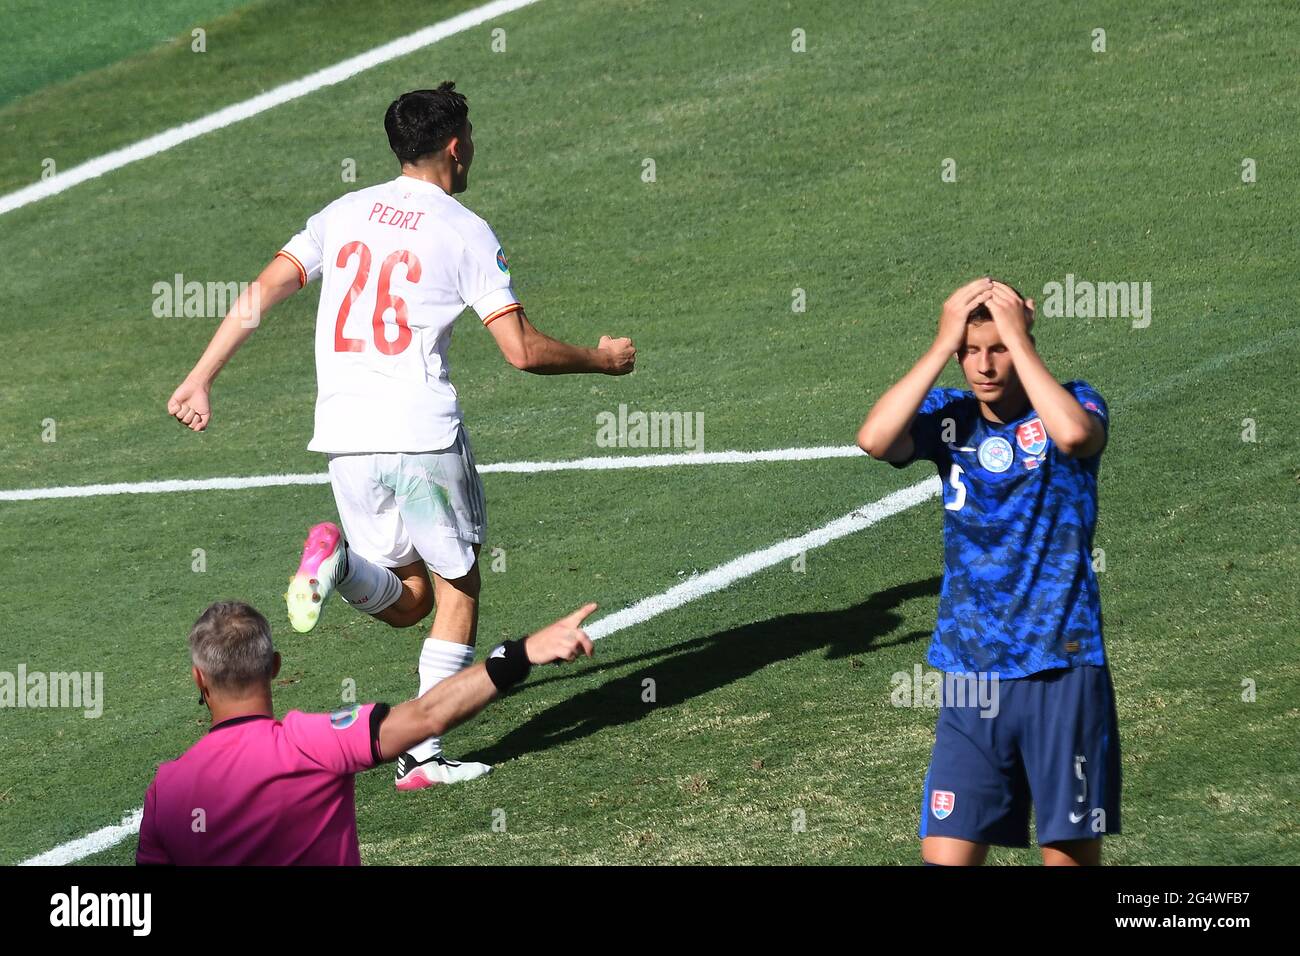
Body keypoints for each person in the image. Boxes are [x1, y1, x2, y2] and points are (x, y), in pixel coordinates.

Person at [166, 82, 635, 788]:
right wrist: (602, 360)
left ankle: (338, 568)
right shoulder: (462, 228)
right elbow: (522, 350)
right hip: (419, 435)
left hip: (345, 439)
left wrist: (202, 375)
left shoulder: (344, 212)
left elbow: (262, 291)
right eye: (469, 139)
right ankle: (422, 759)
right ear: (454, 146)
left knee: (408, 599)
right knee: (458, 587)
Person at [857, 277, 1120, 865]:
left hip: (1062, 666)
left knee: (1069, 855)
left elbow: (1075, 436)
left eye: (996, 347)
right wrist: (940, 341)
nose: (984, 365)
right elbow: (875, 439)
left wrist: (1021, 343)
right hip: (970, 671)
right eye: (970, 351)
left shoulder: (1077, 401)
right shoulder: (946, 419)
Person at [137, 599, 596, 865]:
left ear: (199, 678)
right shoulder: (310, 742)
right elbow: (427, 717)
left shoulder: (167, 788)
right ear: (275, 667)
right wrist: (520, 653)